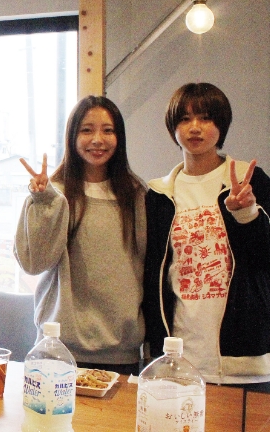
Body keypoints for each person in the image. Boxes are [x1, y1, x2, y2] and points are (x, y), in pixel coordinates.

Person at [144, 82, 270, 384]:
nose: (195, 127)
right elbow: (152, 273)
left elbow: (264, 258)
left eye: (206, 118)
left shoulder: (248, 179)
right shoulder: (159, 194)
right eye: (185, 119)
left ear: (221, 125)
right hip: (178, 357)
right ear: (173, 127)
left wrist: (246, 214)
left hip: (243, 360)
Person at [15, 95, 146, 375]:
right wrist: (43, 202)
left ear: (119, 138)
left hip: (121, 352)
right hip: (58, 347)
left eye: (108, 130)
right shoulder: (53, 193)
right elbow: (34, 263)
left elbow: (148, 267)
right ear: (72, 137)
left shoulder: (135, 195)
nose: (97, 139)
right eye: (86, 130)